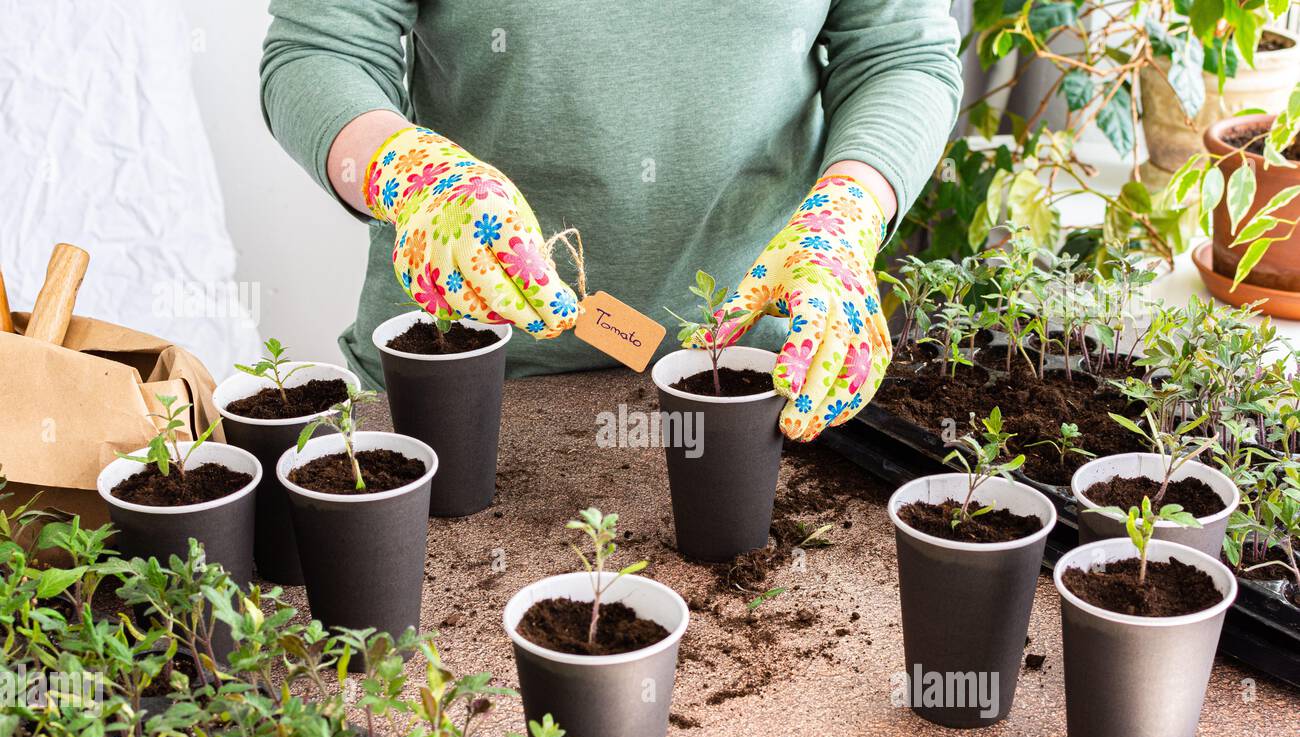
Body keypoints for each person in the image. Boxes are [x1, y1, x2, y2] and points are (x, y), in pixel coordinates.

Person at [260, 1, 961, 440]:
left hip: (759, 380)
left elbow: (900, 54)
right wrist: (411, 173)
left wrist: (849, 214)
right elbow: (321, 49)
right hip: (457, 374)